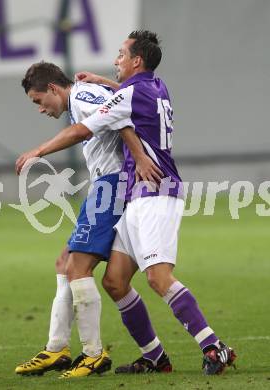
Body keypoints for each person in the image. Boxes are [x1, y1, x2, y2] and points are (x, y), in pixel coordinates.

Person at [75, 30, 237, 376]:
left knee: (158, 278)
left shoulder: (132, 93)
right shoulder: (156, 86)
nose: (116, 60)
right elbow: (126, 99)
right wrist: (104, 80)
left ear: (136, 61)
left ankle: (214, 347)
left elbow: (89, 126)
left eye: (121, 54)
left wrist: (37, 152)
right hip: (138, 196)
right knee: (115, 281)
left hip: (156, 193)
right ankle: (155, 357)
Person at [14, 61, 160, 378]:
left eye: (39, 101)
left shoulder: (81, 95)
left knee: (78, 268)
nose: (40, 109)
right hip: (104, 185)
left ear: (53, 88)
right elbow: (119, 104)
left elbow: (118, 117)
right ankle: (56, 349)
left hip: (112, 184)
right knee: (65, 263)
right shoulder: (86, 95)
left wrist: (39, 150)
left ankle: (93, 353)